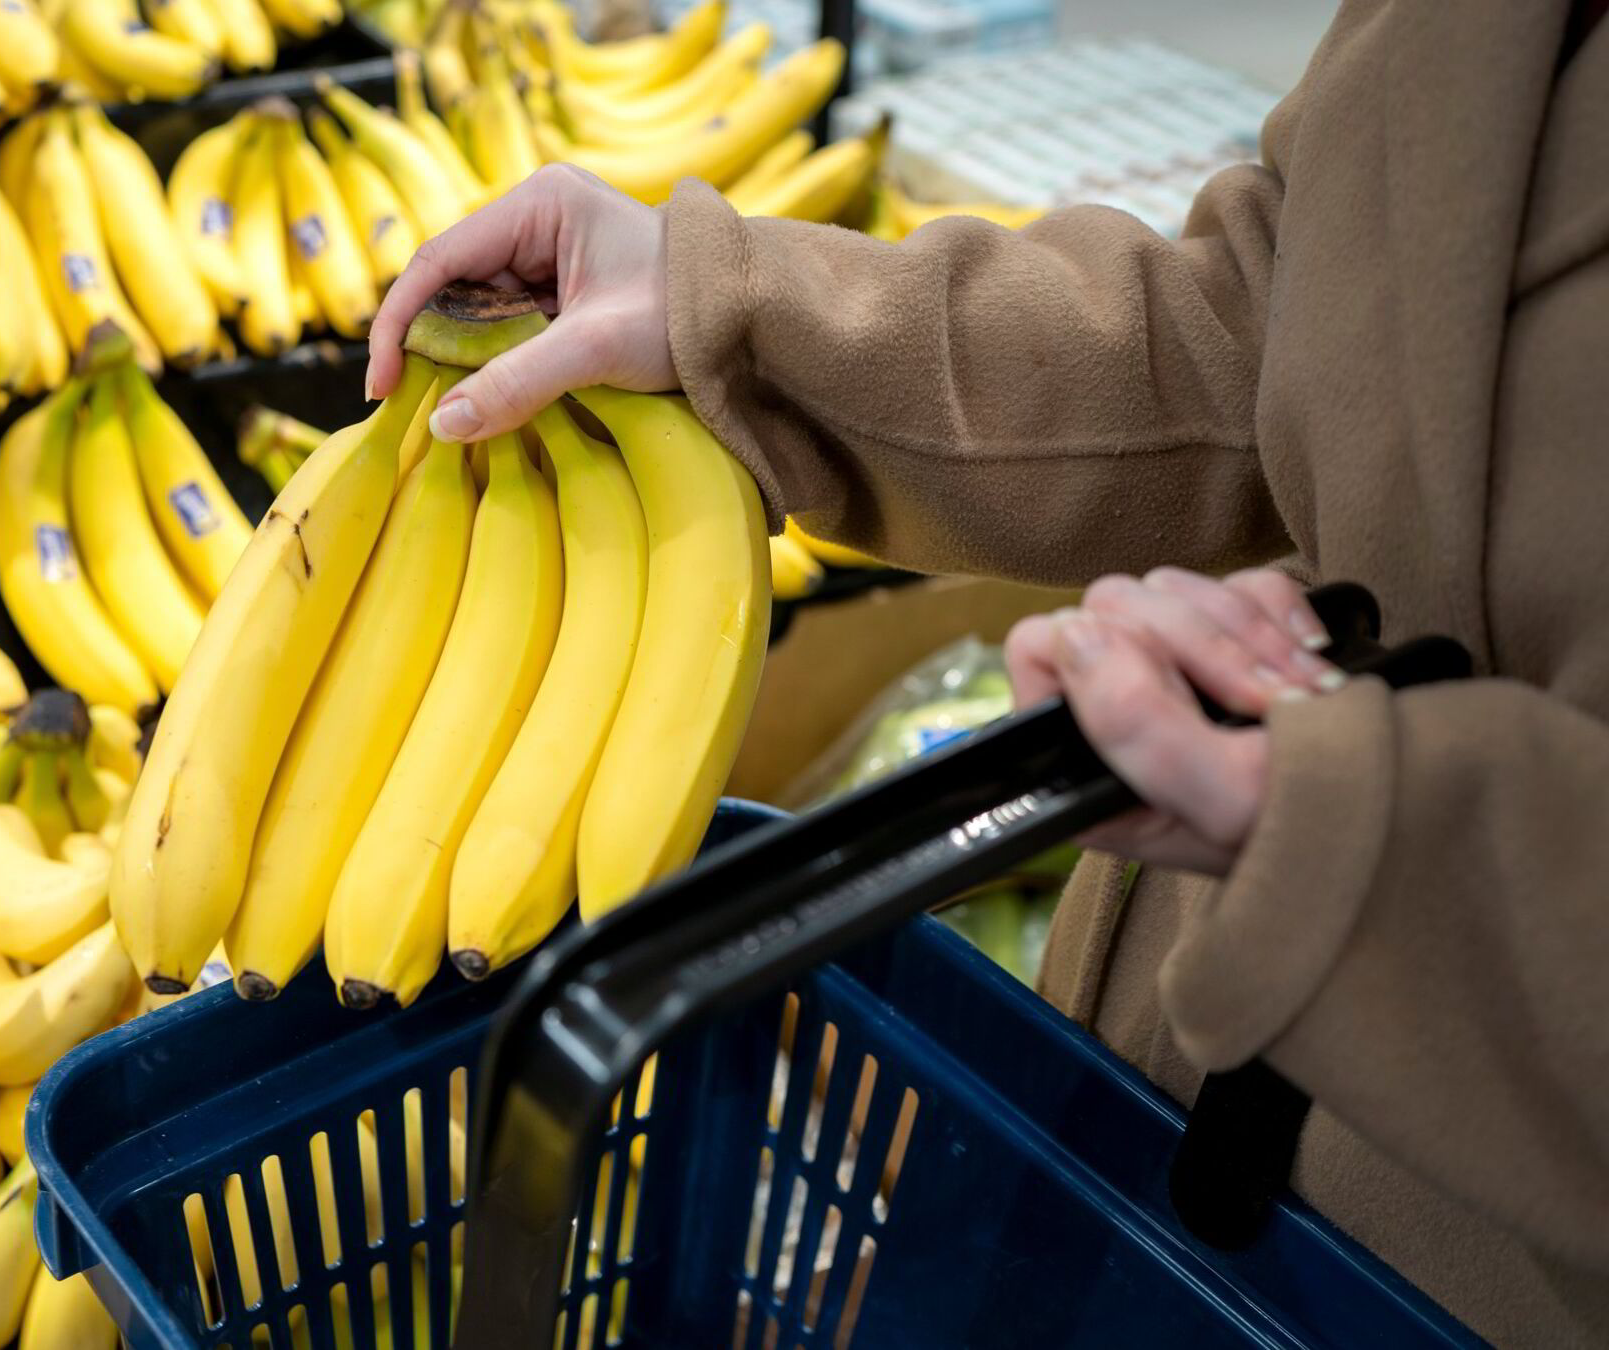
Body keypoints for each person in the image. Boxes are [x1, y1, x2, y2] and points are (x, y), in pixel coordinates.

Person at [365, 2, 1607, 1344]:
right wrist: (729, 308)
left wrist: (1353, 830)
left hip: (1447, 1254)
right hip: (1150, 1092)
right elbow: (1282, 303)